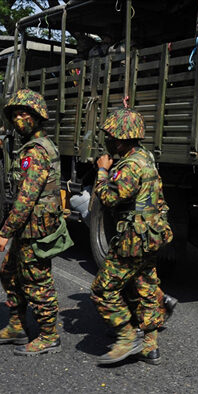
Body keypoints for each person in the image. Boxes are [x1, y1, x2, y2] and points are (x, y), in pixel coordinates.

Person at [90, 108, 173, 365]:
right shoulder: (146, 157)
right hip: (151, 234)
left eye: (112, 136)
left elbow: (109, 197)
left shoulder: (130, 165)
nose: (109, 141)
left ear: (121, 138)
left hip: (132, 239)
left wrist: (103, 171)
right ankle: (150, 346)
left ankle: (127, 337)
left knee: (102, 290)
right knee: (147, 288)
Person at [0, 89, 72, 355]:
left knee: (36, 281)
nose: (19, 119)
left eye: (24, 113)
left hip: (34, 229)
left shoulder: (37, 151)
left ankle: (49, 335)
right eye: (15, 114)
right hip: (27, 227)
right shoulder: (29, 147)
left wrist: (5, 232)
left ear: (37, 116)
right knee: (9, 272)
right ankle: (17, 326)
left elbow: (27, 198)